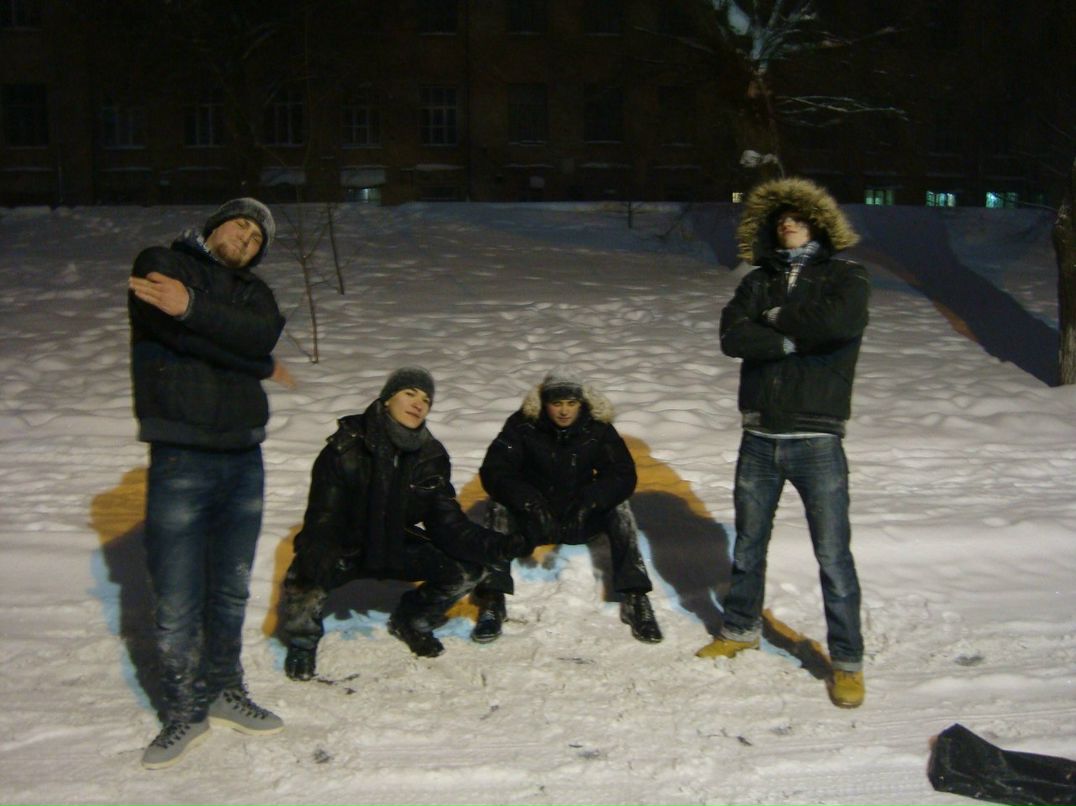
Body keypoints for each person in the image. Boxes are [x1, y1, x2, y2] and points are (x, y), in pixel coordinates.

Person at [695, 177, 869, 709]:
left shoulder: (846, 275)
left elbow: (840, 322)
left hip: (817, 436)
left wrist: (775, 321)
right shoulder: (758, 279)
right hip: (759, 436)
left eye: (797, 216)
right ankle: (740, 629)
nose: (787, 223)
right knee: (748, 546)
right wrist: (794, 340)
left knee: (833, 555)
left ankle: (847, 662)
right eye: (780, 218)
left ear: (818, 222)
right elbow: (732, 336)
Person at [128, 198, 288, 770]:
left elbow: (260, 335)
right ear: (215, 225)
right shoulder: (161, 261)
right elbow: (168, 325)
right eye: (240, 225)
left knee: (230, 589)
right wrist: (249, 359)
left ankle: (224, 689)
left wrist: (192, 310)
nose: (246, 238)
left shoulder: (256, 293)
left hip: (244, 456)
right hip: (181, 454)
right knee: (177, 599)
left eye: (257, 238)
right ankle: (184, 710)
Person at [280, 367, 535, 675]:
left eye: (426, 400)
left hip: (396, 544)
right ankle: (302, 643)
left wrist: (500, 545)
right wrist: (318, 550)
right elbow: (324, 514)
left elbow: (449, 525)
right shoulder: (345, 447)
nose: (418, 404)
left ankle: (412, 619)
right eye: (409, 393)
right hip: (347, 545)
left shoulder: (431, 456)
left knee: (467, 570)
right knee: (304, 573)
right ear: (387, 399)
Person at [471, 369, 663, 644]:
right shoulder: (522, 425)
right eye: (556, 403)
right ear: (544, 402)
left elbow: (622, 474)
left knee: (620, 508)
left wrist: (590, 502)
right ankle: (493, 599)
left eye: (571, 403)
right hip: (533, 521)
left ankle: (636, 597)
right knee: (498, 507)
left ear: (581, 403)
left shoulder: (596, 428)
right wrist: (529, 503)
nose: (564, 411)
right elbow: (495, 471)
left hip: (579, 518)